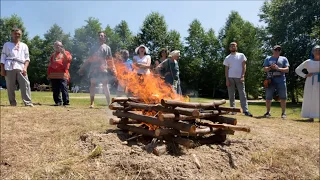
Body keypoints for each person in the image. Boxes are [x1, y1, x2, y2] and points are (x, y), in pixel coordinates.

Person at [79, 31, 115, 108]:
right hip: (94, 69)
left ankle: (109, 103)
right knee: (93, 84)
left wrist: (113, 68)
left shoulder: (107, 48)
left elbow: (110, 59)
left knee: (105, 85)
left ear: (105, 38)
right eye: (99, 35)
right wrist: (82, 67)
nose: (100, 37)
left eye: (102, 36)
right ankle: (92, 103)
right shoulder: (93, 48)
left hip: (103, 68)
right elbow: (89, 58)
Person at [0, 28, 33, 107]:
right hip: (9, 66)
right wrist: (2, 69)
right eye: (15, 33)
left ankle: (27, 102)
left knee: (25, 84)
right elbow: (3, 57)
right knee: (10, 86)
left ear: (21, 35)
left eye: (18, 34)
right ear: (12, 34)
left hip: (21, 66)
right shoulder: (7, 44)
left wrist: (25, 68)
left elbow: (27, 59)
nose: (17, 35)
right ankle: (12, 103)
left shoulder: (24, 45)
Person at [223, 42, 253, 117]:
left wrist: (243, 75)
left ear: (236, 47)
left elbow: (244, 66)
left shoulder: (241, 55)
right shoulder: (227, 58)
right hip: (230, 78)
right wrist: (227, 80)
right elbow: (226, 70)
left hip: (239, 78)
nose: (233, 47)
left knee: (242, 94)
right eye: (231, 46)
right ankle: (233, 110)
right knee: (231, 95)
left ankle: (245, 111)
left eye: (234, 46)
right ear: (229, 48)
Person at [263, 45, 290, 119]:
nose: (277, 51)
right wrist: (269, 67)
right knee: (268, 97)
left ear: (280, 51)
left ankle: (283, 113)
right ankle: (268, 112)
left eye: (278, 50)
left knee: (283, 97)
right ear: (272, 50)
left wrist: (278, 68)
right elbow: (264, 69)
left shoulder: (284, 59)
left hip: (281, 80)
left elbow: (287, 69)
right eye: (275, 50)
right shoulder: (268, 58)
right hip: (270, 80)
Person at [295, 45, 320, 122]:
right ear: (312, 52)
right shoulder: (308, 62)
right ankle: (310, 116)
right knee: (310, 98)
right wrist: (305, 75)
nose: (318, 51)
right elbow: (297, 70)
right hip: (310, 81)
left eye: (319, 50)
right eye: (316, 50)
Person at [47, 41, 72, 106]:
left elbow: (68, 60)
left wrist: (63, 53)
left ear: (62, 46)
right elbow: (50, 64)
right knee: (55, 89)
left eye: (59, 45)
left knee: (64, 88)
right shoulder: (53, 55)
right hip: (54, 75)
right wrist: (48, 73)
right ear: (54, 47)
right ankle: (58, 102)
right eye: (56, 46)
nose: (58, 47)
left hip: (63, 74)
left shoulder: (66, 52)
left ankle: (66, 101)